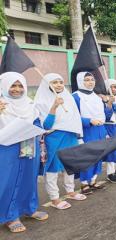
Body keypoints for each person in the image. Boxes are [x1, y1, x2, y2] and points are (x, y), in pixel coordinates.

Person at [0, 72, 48, 233]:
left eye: (20, 85)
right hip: (8, 147)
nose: (17, 89)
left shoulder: (29, 103)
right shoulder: (1, 104)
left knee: (29, 177)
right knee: (8, 180)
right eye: (13, 85)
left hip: (29, 144)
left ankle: (29, 208)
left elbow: (37, 121)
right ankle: (10, 216)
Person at [35, 73, 87, 210]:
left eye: (60, 82)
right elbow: (46, 126)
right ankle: (54, 198)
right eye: (54, 82)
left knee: (69, 166)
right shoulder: (41, 101)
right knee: (52, 168)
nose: (58, 85)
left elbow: (75, 118)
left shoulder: (68, 98)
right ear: (47, 84)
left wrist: (78, 136)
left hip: (70, 137)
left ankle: (70, 191)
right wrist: (54, 107)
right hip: (53, 138)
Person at [72, 72, 111, 194]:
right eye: (87, 80)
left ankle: (93, 181)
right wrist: (89, 121)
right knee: (87, 157)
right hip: (86, 130)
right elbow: (73, 117)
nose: (90, 82)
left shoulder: (97, 96)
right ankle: (84, 184)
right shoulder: (75, 96)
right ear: (80, 82)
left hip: (100, 130)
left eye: (92, 79)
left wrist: (109, 103)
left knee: (98, 156)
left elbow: (106, 116)